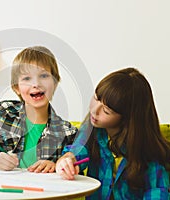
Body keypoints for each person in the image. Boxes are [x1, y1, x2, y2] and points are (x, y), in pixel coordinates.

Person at [56, 68, 170, 199]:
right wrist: (68, 160)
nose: (94, 110)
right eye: (96, 98)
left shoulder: (147, 149)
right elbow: (78, 149)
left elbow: (157, 191)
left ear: (127, 118)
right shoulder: (91, 129)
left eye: (106, 111)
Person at [0, 46, 77, 173]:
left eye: (44, 76)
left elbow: (74, 164)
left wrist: (57, 166)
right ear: (16, 87)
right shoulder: (3, 112)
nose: (36, 84)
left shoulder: (67, 133)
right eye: (27, 78)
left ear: (55, 83)